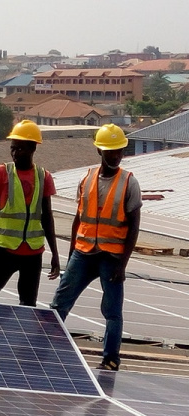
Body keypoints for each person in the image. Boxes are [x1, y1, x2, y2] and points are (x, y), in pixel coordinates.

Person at [50, 124, 142, 371]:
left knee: (112, 311)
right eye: (110, 151)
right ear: (99, 151)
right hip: (83, 252)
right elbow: (78, 218)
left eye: (119, 151)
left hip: (111, 257)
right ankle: (45, 347)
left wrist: (123, 264)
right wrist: (71, 253)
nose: (115, 156)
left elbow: (134, 227)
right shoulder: (86, 179)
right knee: (60, 303)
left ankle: (110, 359)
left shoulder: (129, 183)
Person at [0, 120, 60, 306]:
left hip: (33, 253)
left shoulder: (43, 177)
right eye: (12, 148)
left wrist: (55, 254)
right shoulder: (1, 173)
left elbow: (47, 216)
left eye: (20, 149)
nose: (15, 153)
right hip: (5, 250)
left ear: (33, 149)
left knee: (28, 305)